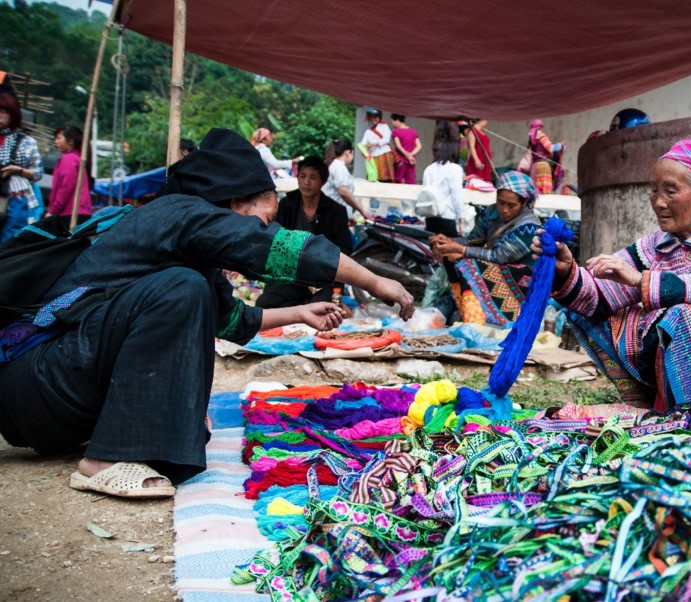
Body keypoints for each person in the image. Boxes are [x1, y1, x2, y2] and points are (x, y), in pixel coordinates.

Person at [0, 128, 414, 498]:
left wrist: (301, 312)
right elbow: (275, 247)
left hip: (61, 398)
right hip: (41, 382)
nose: (263, 228)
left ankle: (129, 439)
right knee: (182, 288)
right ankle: (106, 459)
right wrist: (375, 281)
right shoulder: (180, 213)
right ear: (234, 203)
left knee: (188, 290)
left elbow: (233, 321)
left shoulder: (192, 248)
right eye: (263, 217)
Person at [532, 139, 691, 416]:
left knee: (685, 315)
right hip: (677, 359)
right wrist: (566, 271)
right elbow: (600, 294)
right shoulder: (657, 245)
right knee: (587, 310)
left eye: (671, 191)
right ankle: (645, 399)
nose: (659, 202)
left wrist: (642, 281)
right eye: (654, 190)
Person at [430, 171, 540, 325]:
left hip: (522, 282)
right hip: (499, 269)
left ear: (524, 203)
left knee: (468, 264)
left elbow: (499, 257)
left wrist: (460, 251)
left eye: (511, 205)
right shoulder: (491, 212)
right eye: (501, 202)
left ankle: (476, 319)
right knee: (450, 258)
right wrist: (446, 241)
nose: (504, 209)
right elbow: (472, 241)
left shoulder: (530, 227)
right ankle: (466, 309)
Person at [257, 156, 354, 309]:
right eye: (302, 176)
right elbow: (275, 239)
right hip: (290, 276)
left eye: (313, 177)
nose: (306, 182)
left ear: (323, 182)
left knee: (320, 309)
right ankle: (300, 304)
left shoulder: (336, 211)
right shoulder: (287, 204)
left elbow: (345, 248)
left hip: (322, 278)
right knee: (265, 303)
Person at [0, 93, 44, 242]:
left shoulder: (26, 142)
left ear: (13, 114)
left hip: (16, 200)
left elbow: (38, 173)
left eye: (3, 111)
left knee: (9, 241)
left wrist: (18, 170)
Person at [420, 128, 465, 237]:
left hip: (430, 217)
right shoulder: (455, 169)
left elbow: (425, 191)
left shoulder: (429, 169)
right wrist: (461, 220)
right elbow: (456, 196)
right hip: (447, 217)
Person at [45, 125, 92, 230]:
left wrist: (53, 210)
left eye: (59, 138)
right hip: (76, 211)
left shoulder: (69, 159)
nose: (56, 142)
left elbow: (66, 187)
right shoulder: (75, 158)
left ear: (70, 141)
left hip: (71, 212)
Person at [322, 137, 372, 223]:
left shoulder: (334, 165)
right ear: (348, 152)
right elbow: (343, 192)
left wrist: (351, 218)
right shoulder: (338, 166)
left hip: (335, 217)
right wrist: (362, 210)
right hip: (332, 218)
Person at [524, 119, 565, 194]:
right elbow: (551, 148)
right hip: (543, 166)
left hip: (535, 166)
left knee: (537, 191)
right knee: (544, 192)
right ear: (540, 127)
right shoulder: (540, 135)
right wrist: (560, 145)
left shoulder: (533, 138)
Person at [360, 108, 395, 183]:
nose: (373, 119)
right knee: (373, 179)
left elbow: (386, 139)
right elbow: (363, 144)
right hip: (373, 157)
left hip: (384, 155)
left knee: (386, 179)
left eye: (375, 117)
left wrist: (372, 144)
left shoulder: (384, 126)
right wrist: (363, 150)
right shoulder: (368, 132)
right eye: (371, 117)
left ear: (379, 117)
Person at [389, 114, 421, 185]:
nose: (392, 124)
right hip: (411, 162)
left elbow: (398, 146)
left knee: (397, 182)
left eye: (392, 122)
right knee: (411, 183)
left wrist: (407, 156)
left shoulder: (396, 132)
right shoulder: (413, 131)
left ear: (397, 120)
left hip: (400, 162)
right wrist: (411, 155)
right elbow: (419, 146)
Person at [464, 118, 493, 183]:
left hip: (485, 159)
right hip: (478, 158)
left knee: (485, 180)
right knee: (478, 179)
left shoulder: (482, 131)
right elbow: (472, 146)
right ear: (482, 119)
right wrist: (476, 159)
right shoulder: (473, 131)